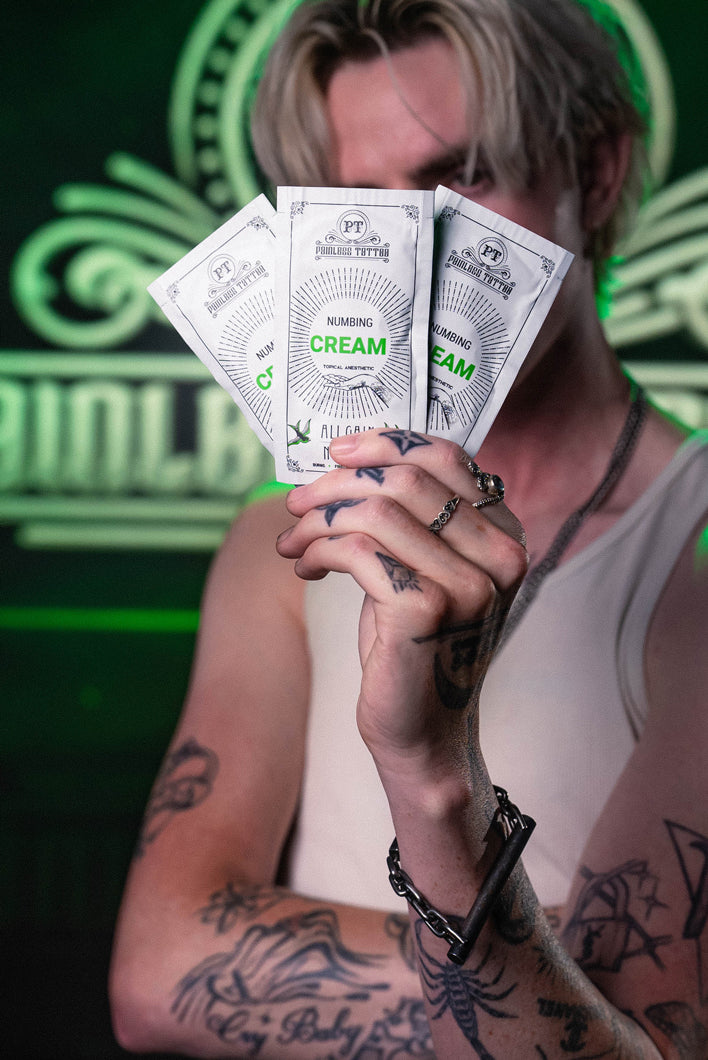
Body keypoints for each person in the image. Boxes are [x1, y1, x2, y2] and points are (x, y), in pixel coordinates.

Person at [110, 0, 708, 1056]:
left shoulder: (691, 552)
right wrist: (559, 964)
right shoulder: (284, 541)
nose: (412, 251)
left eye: (462, 177)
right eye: (361, 200)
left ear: (598, 171)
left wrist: (433, 770)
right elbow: (158, 977)